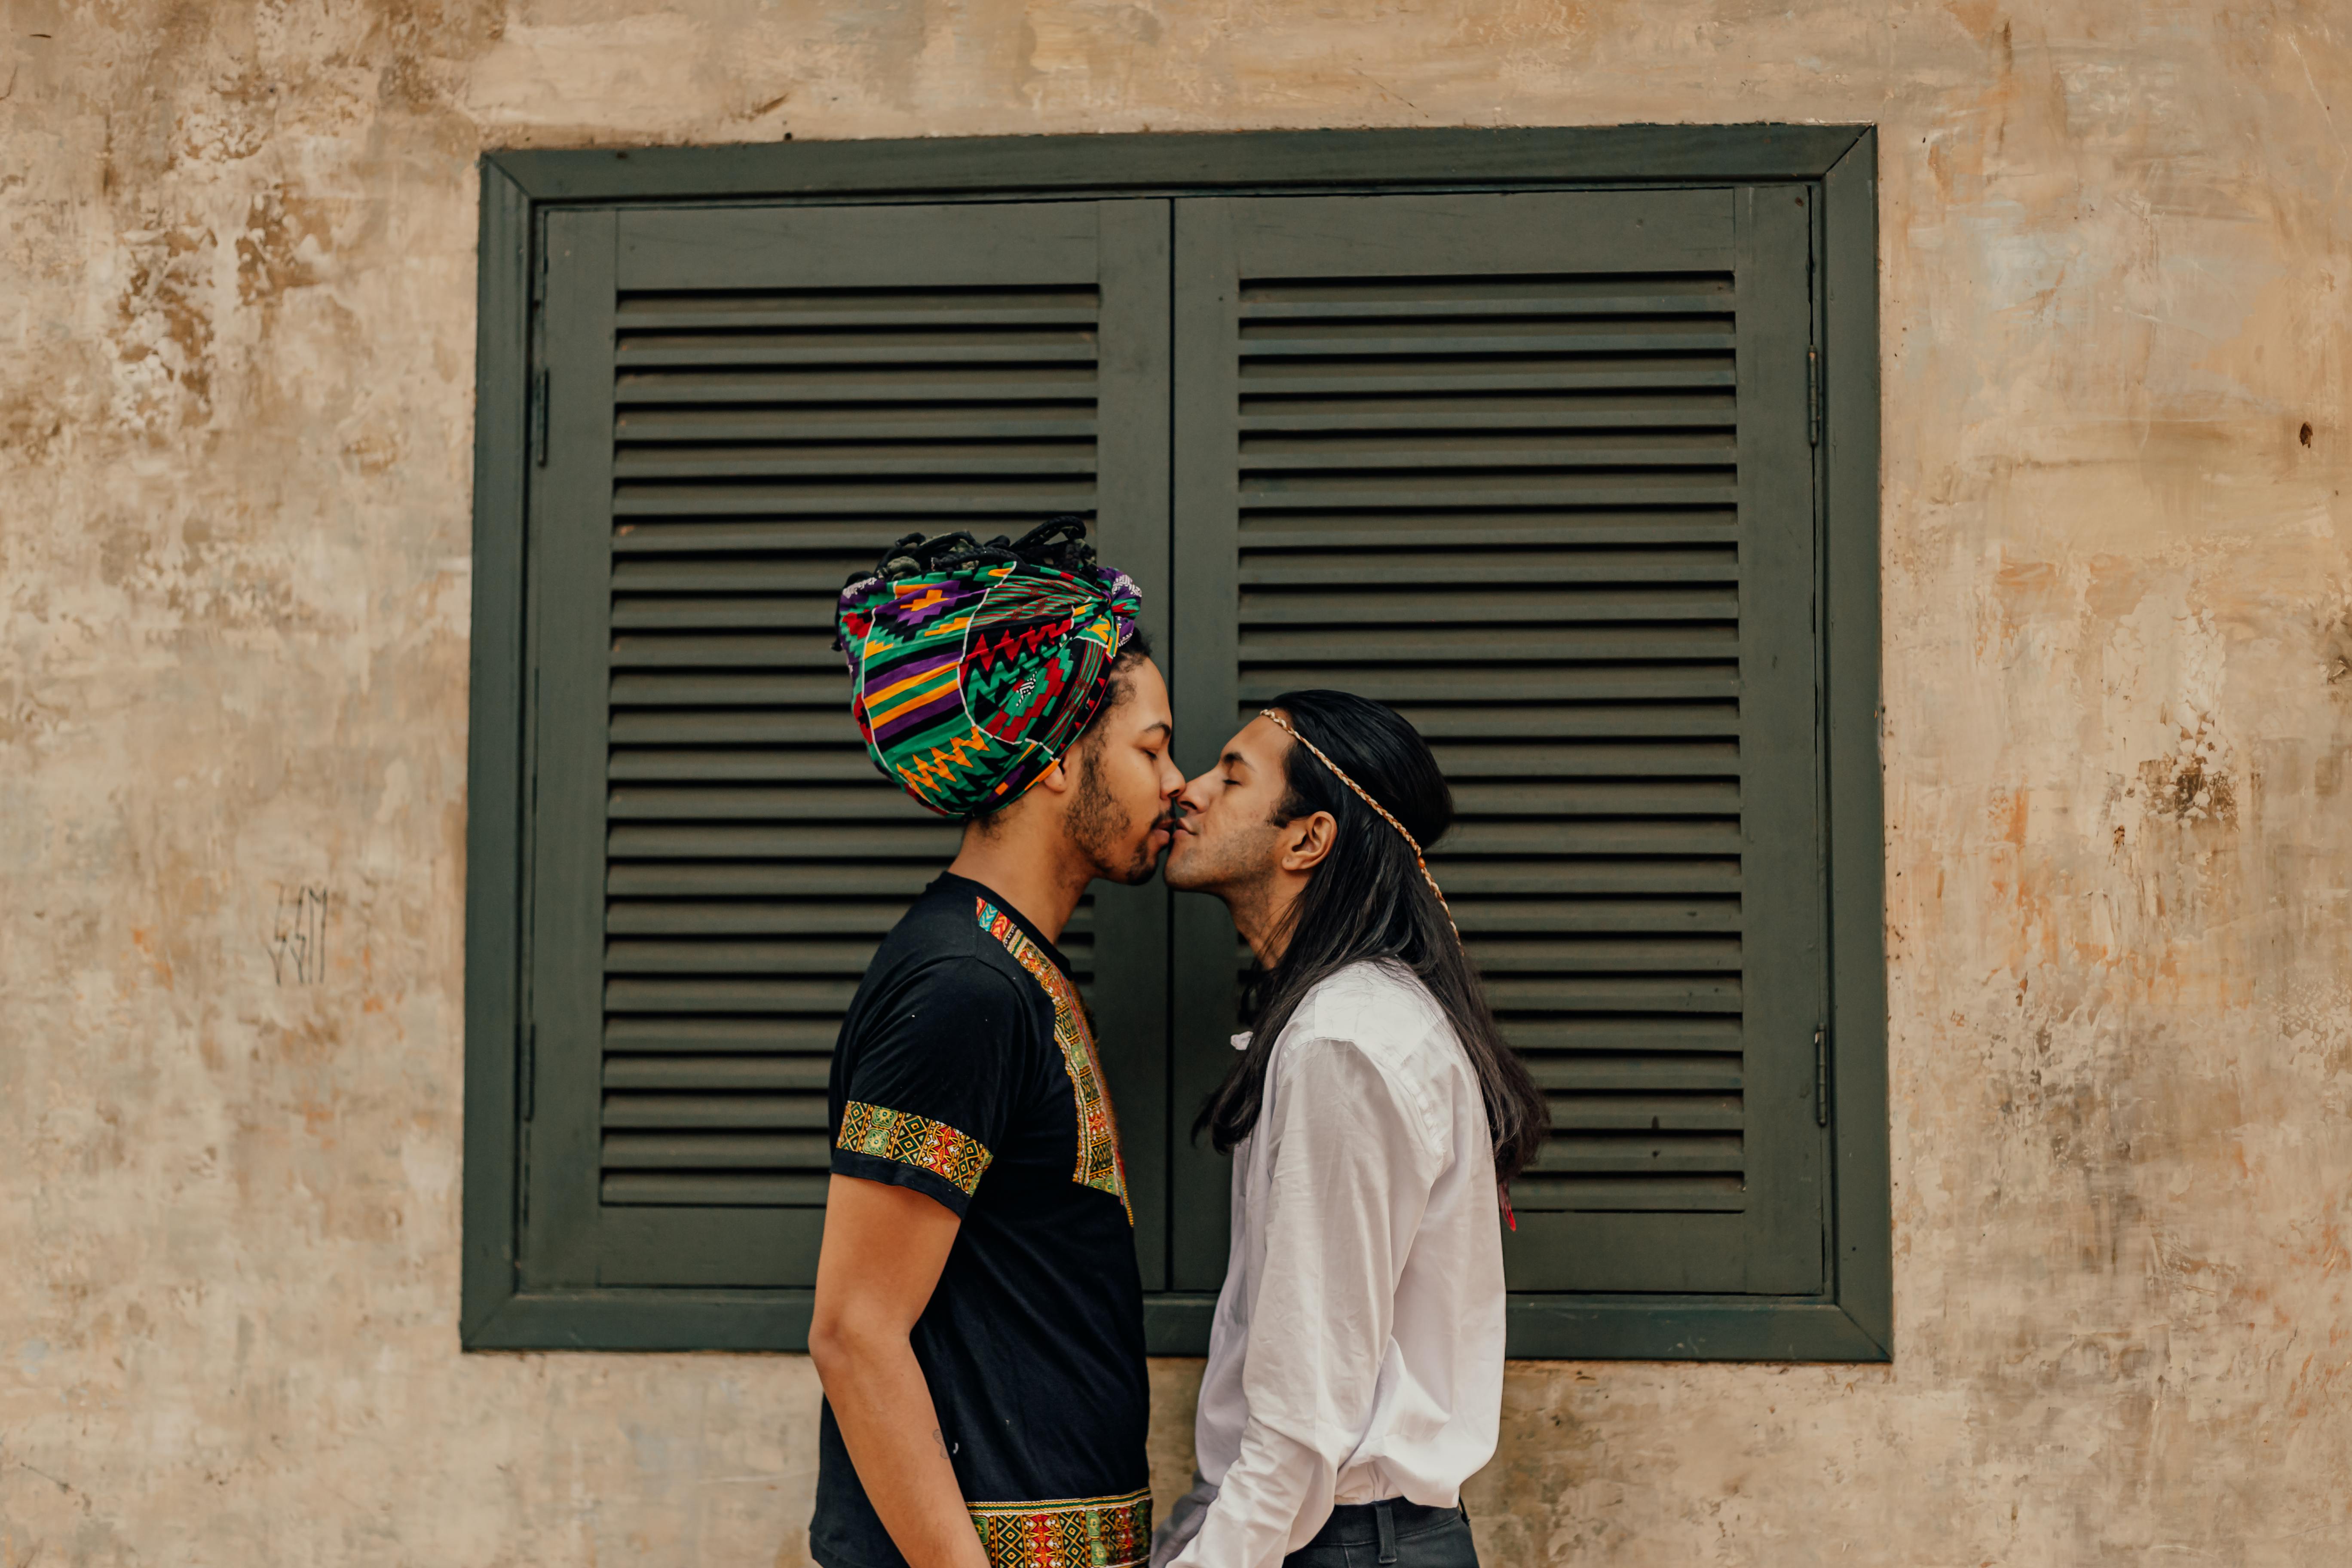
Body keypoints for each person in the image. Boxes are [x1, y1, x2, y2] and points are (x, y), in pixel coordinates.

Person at [808, 518, 1182, 1568]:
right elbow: (854, 1333)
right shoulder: (964, 987)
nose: (1176, 784)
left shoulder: (1011, 967)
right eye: (1151, 748)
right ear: (1062, 758)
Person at [1152, 692, 1550, 1568]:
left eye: (1231, 776)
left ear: (1307, 839)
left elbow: (1305, 1407)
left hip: (1347, 1547)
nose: (1186, 790)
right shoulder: (1343, 1022)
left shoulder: (1344, 1041)